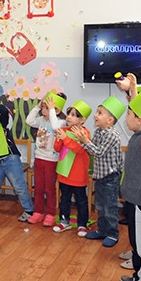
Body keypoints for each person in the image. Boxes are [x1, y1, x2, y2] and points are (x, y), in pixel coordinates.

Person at [73, 96, 124, 247]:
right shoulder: (98, 132)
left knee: (109, 207)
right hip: (100, 175)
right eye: (97, 112)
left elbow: (99, 152)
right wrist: (81, 139)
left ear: (110, 120)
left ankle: (112, 234)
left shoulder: (112, 134)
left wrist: (85, 141)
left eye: (100, 113)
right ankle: (102, 230)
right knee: (100, 206)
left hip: (111, 176)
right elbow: (91, 148)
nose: (95, 115)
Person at [0, 103, 35, 222]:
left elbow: (4, 111)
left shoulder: (2, 122)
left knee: (19, 186)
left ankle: (29, 210)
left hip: (11, 158)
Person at [119, 95, 141, 281]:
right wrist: (134, 90)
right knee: (137, 243)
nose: (126, 117)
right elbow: (140, 107)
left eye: (129, 114)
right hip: (134, 199)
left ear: (140, 119)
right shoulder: (139, 134)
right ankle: (139, 275)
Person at [26, 92, 67, 227]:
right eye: (43, 108)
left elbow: (55, 127)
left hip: (51, 160)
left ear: (57, 110)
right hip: (39, 158)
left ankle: (50, 213)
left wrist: (52, 110)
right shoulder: (41, 121)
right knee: (38, 188)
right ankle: (38, 212)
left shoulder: (61, 122)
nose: (44, 111)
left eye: (47, 108)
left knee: (49, 189)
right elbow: (29, 121)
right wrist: (38, 106)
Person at [52, 101, 91, 236]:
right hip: (64, 173)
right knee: (64, 199)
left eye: (74, 115)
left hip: (78, 175)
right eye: (69, 114)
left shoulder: (84, 133)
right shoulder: (63, 131)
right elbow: (57, 148)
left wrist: (65, 139)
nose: (69, 117)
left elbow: (79, 149)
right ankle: (64, 222)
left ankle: (82, 225)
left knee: (81, 201)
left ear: (82, 120)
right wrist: (59, 139)